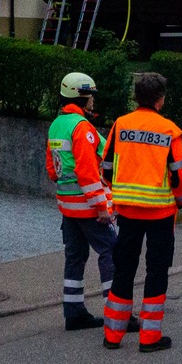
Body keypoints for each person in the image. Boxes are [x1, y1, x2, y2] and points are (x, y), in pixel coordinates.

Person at [101, 71, 182, 353]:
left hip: (127, 211)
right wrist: (178, 198)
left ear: (136, 97)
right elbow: (179, 176)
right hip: (160, 213)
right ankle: (149, 338)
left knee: (124, 269)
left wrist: (121, 190)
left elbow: (107, 169)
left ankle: (113, 335)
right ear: (160, 100)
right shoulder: (169, 130)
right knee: (156, 271)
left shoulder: (121, 125)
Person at [46, 72, 117, 331]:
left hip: (67, 206)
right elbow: (87, 172)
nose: (93, 101)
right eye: (91, 96)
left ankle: (74, 313)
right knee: (112, 251)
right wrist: (101, 206)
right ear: (82, 97)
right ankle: (116, 313)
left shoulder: (57, 124)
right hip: (88, 207)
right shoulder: (82, 127)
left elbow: (52, 170)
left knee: (75, 256)